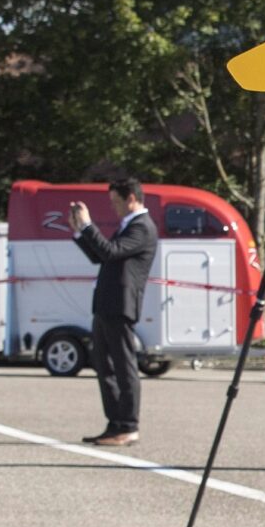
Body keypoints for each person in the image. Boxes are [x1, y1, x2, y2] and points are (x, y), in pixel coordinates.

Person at [69, 175, 156, 448]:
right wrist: (79, 232)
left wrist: (88, 225)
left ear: (131, 198)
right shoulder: (128, 225)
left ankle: (128, 425)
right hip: (107, 304)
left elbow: (109, 251)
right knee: (103, 364)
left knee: (124, 366)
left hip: (121, 306)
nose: (113, 207)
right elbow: (99, 256)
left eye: (116, 202)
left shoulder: (142, 227)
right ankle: (114, 424)